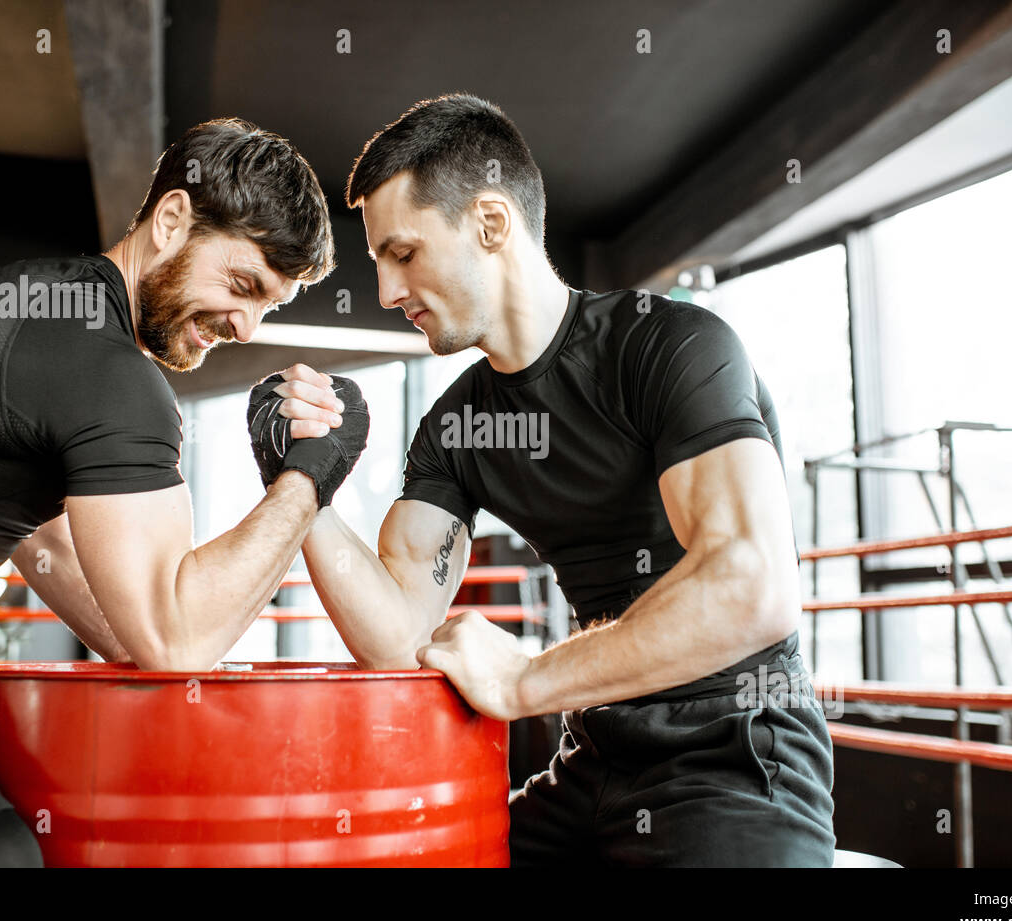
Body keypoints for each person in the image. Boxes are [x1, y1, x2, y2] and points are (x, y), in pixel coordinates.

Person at [256, 94, 836, 866]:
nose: (390, 292)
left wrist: (528, 681)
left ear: (491, 223)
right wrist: (305, 487)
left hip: (734, 764)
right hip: (590, 769)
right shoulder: (458, 424)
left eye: (404, 253)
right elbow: (399, 633)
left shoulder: (670, 347)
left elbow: (752, 588)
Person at [0, 117, 366, 866]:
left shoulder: (49, 312)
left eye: (269, 305)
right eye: (242, 284)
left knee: (61, 784)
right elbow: (173, 639)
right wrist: (307, 479)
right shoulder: (104, 369)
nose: (247, 325)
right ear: (172, 221)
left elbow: (52, 547)